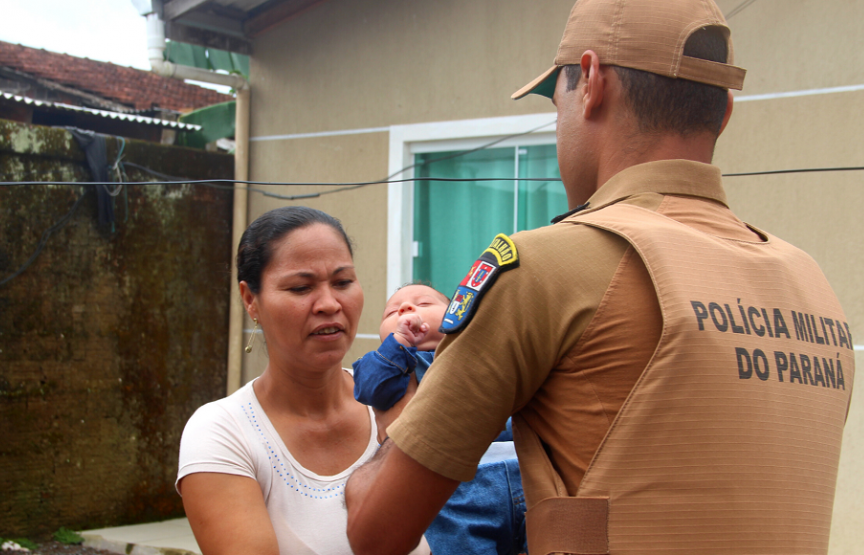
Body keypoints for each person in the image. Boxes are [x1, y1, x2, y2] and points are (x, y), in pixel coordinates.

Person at [345, 1, 855, 554]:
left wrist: (374, 450)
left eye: (556, 99)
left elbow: (377, 531)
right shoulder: (812, 285)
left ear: (590, 81)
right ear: (725, 110)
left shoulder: (544, 266)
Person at [176, 206, 430, 555]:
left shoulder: (400, 393)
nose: (329, 303)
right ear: (251, 299)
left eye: (343, 282)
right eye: (300, 287)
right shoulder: (223, 433)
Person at [352, 283, 526, 555]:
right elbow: (369, 388)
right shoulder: (394, 365)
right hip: (452, 487)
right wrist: (398, 345)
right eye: (391, 313)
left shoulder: (484, 352)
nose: (407, 308)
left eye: (423, 304)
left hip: (524, 472)